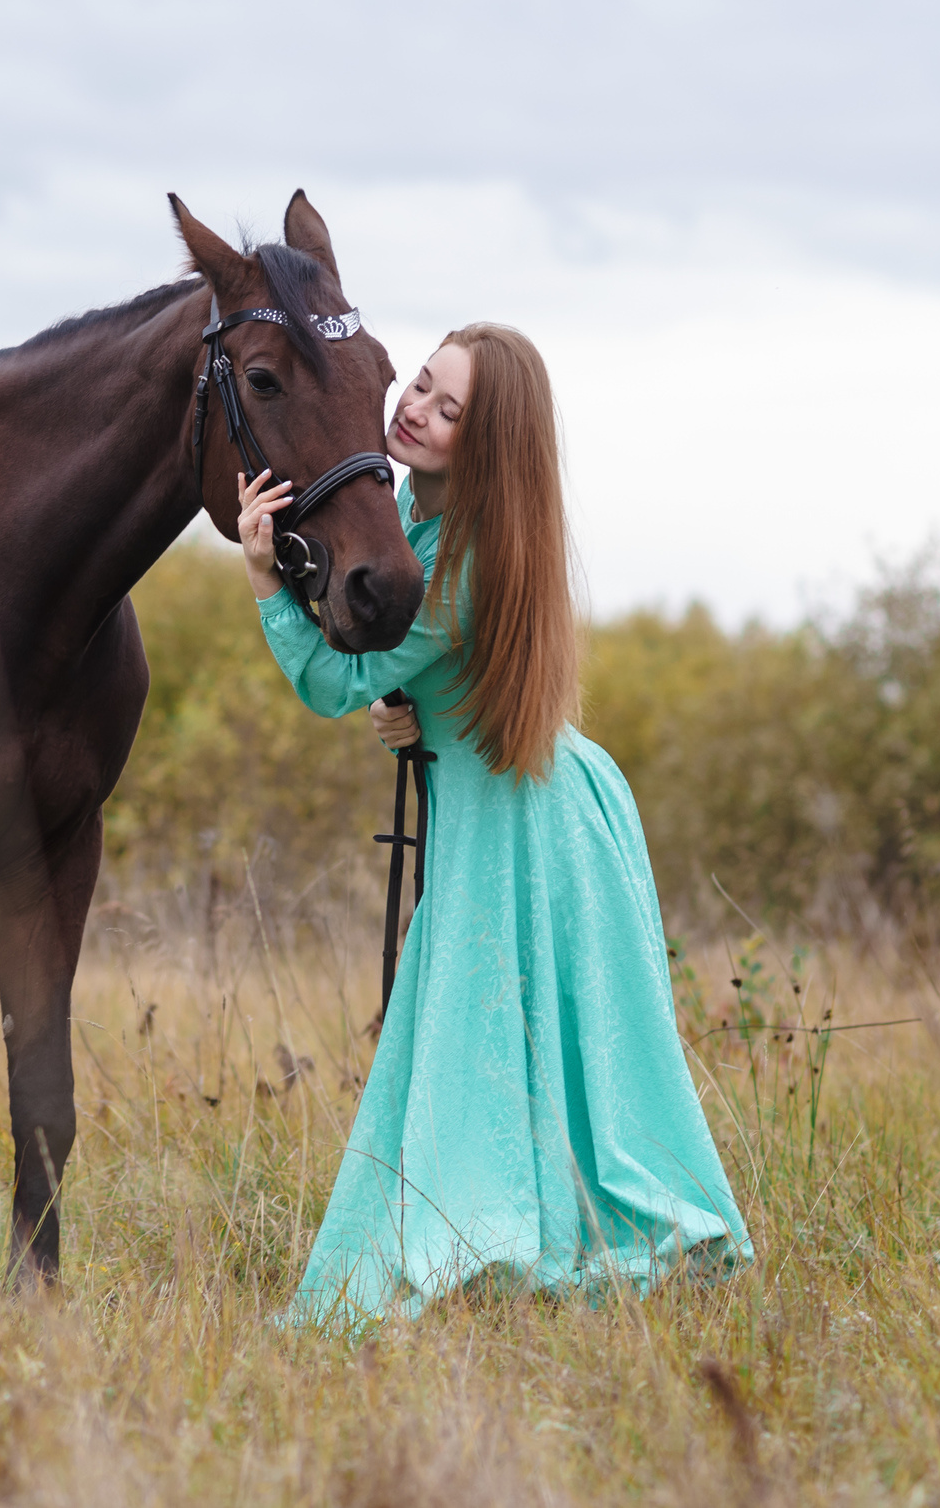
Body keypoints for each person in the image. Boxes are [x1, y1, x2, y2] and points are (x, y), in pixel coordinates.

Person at [238, 321, 749, 1324]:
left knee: (497, 1030)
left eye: (449, 408)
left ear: (486, 444)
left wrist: (265, 583)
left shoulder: (463, 560)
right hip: (522, 800)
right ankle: (520, 1218)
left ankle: (508, 1231)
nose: (415, 410)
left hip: (528, 823)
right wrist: (411, 710)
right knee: (507, 1031)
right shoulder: (417, 525)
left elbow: (337, 681)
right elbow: (414, 679)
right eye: (420, 384)